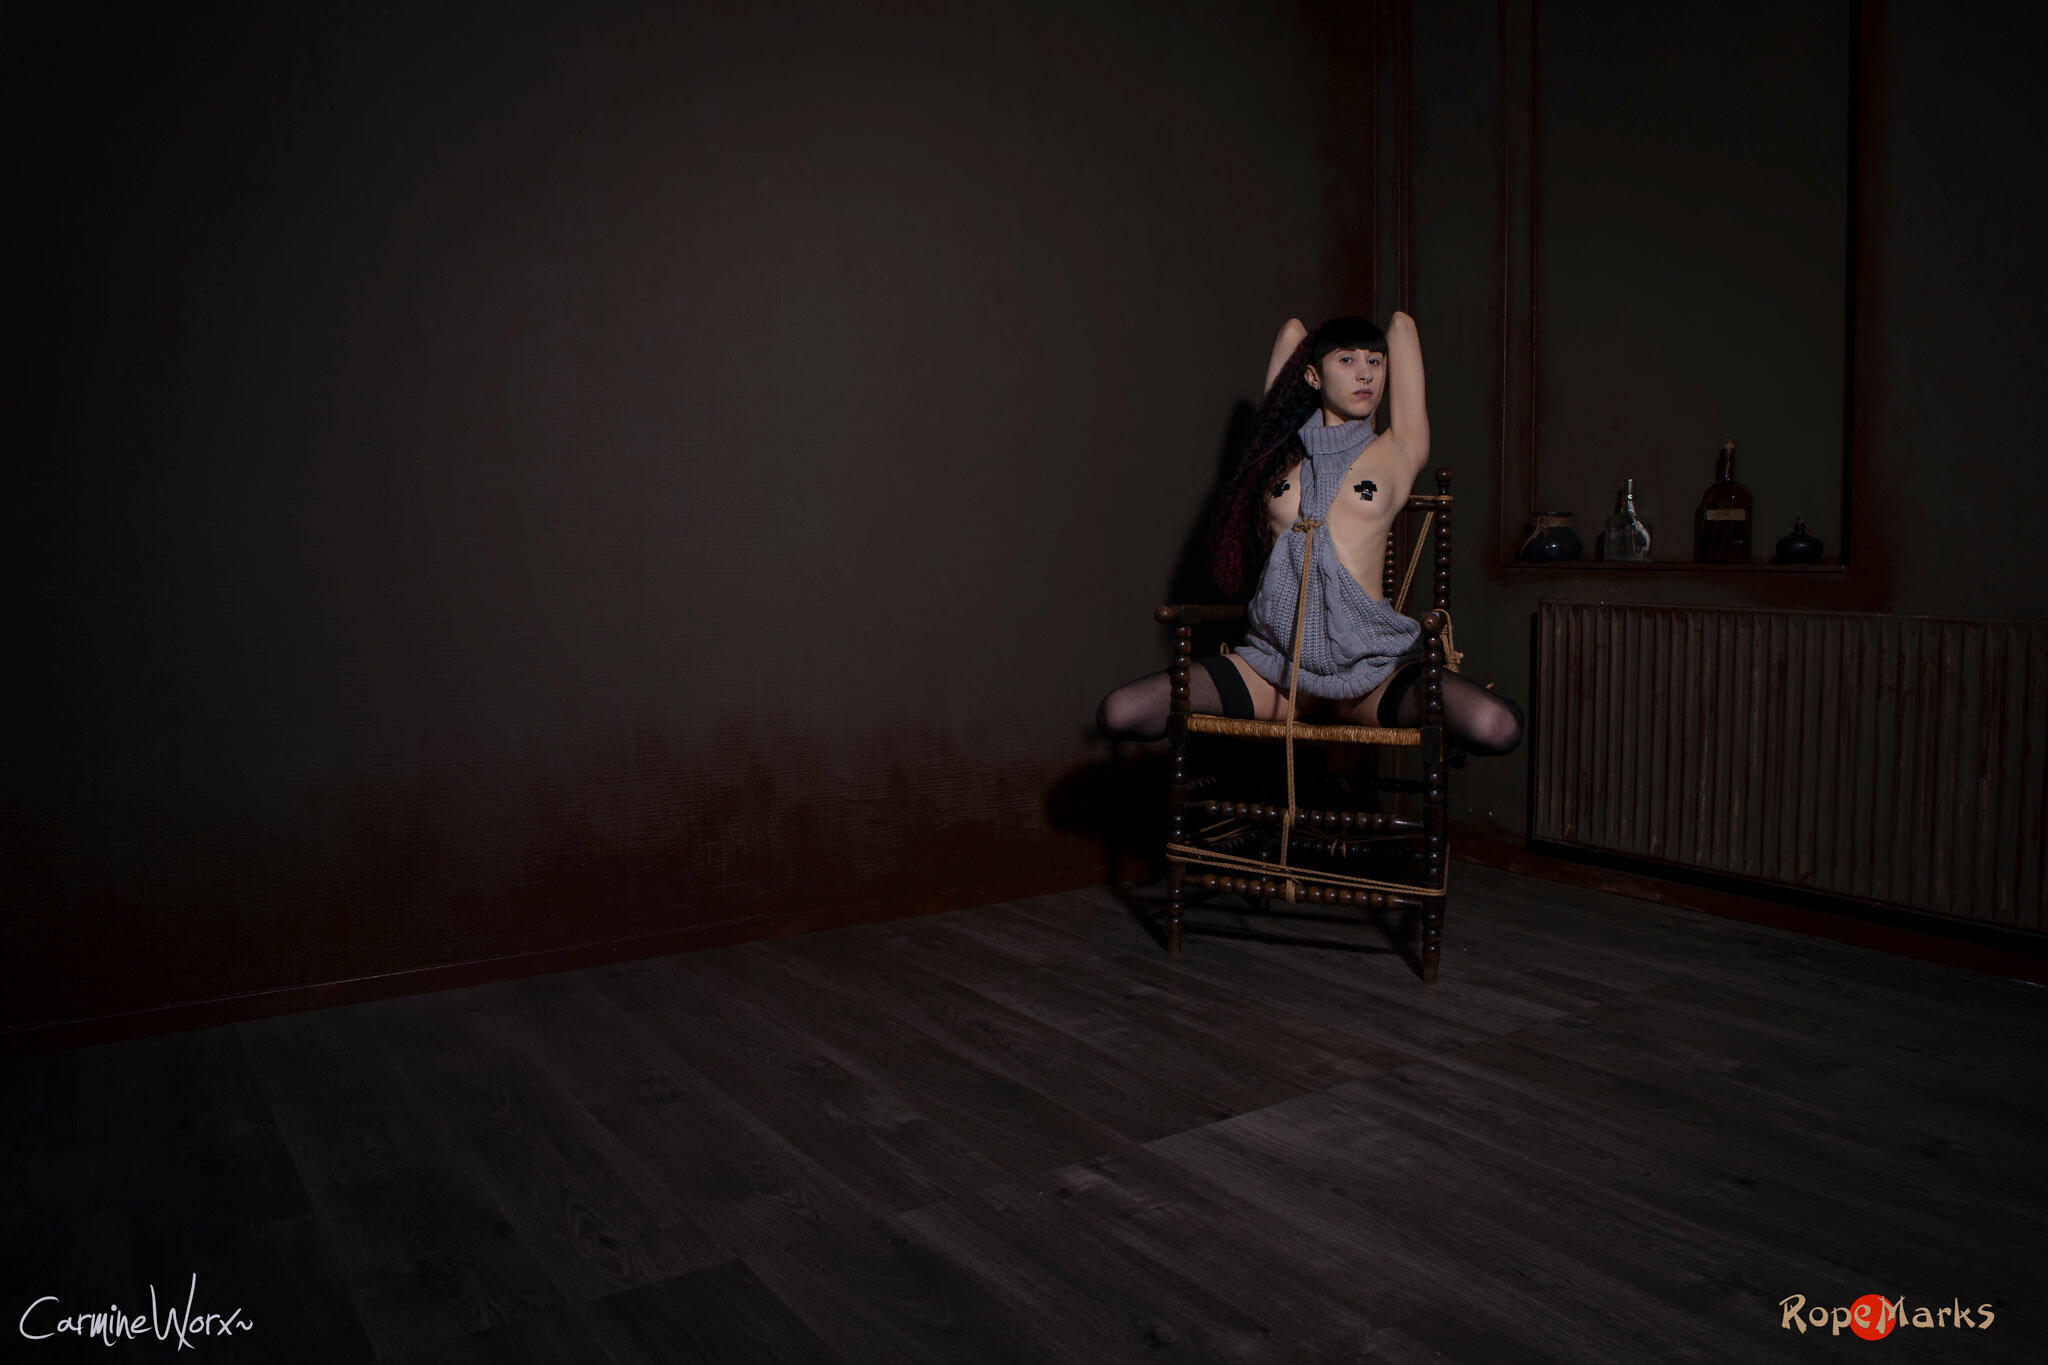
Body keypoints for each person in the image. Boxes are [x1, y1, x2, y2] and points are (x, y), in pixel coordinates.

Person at [1095, 312, 1523, 756]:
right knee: (1122, 711)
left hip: (1369, 673)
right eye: (1347, 360)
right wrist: (1321, 356)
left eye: (1375, 362)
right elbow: (1292, 334)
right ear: (1313, 375)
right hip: (1276, 670)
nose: (1365, 374)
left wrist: (1357, 346)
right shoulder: (1280, 455)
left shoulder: (1397, 451)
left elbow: (1400, 326)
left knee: (1496, 725)